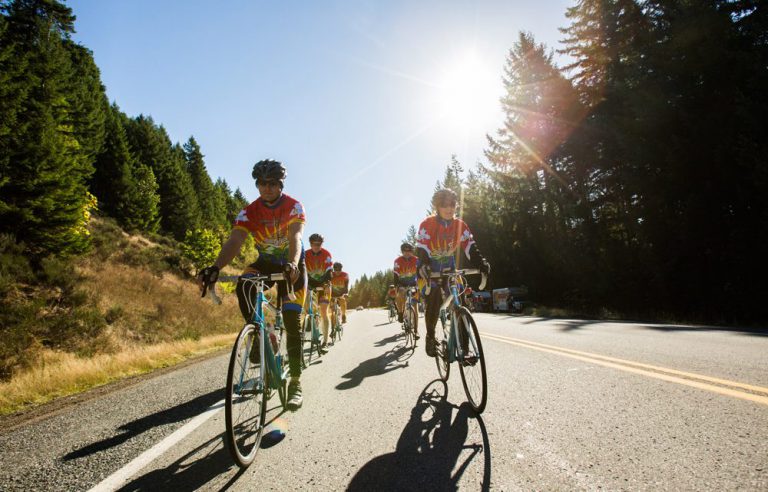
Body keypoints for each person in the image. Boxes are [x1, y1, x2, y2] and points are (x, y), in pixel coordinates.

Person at [197, 159, 307, 410]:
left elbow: (295, 237)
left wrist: (291, 263)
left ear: (280, 184)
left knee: (292, 322)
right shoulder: (249, 212)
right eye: (261, 183)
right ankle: (262, 334)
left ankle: (296, 382)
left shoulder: (293, 206)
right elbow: (235, 241)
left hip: (292, 264)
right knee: (244, 285)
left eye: (272, 183)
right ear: (256, 185)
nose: (266, 188)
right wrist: (216, 267)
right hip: (266, 263)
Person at [416, 188, 490, 357]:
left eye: (452, 204)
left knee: (460, 301)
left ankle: (465, 349)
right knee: (434, 299)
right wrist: (424, 266)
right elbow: (422, 250)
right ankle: (430, 336)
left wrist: (482, 263)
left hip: (450, 270)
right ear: (437, 207)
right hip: (429, 270)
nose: (449, 208)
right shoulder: (427, 224)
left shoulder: (460, 225)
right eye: (444, 205)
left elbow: (470, 247)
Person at [305, 233, 333, 352]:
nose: (316, 246)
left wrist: (326, 284)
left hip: (323, 284)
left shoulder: (326, 254)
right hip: (310, 283)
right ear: (310, 243)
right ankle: (312, 319)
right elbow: (302, 270)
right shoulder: (305, 254)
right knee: (306, 306)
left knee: (323, 311)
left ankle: (325, 342)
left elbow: (329, 271)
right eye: (313, 244)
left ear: (322, 244)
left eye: (319, 244)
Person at [393, 242, 419, 338]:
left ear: (412, 251)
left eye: (409, 251)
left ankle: (416, 331)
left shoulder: (416, 260)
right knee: (400, 294)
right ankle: (400, 312)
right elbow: (395, 275)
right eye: (405, 251)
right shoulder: (397, 261)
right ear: (402, 251)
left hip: (413, 284)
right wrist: (396, 287)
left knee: (415, 307)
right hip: (402, 283)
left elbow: (420, 273)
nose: (407, 252)